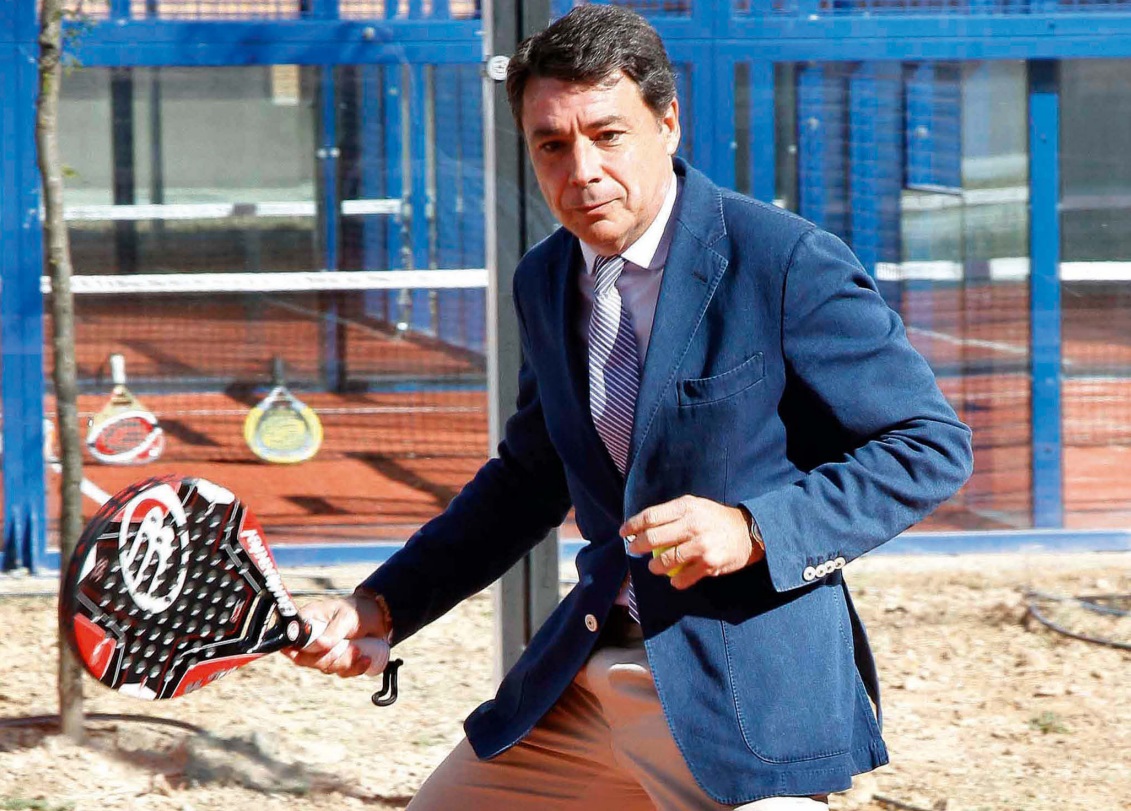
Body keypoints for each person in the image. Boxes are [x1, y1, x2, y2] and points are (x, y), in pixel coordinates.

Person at [287, 5, 973, 809]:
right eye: (552, 144)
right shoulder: (544, 280)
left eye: (607, 135)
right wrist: (380, 603)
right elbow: (526, 481)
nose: (580, 169)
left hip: (739, 695)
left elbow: (928, 446)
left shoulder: (782, 261)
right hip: (579, 682)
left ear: (667, 123)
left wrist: (752, 529)